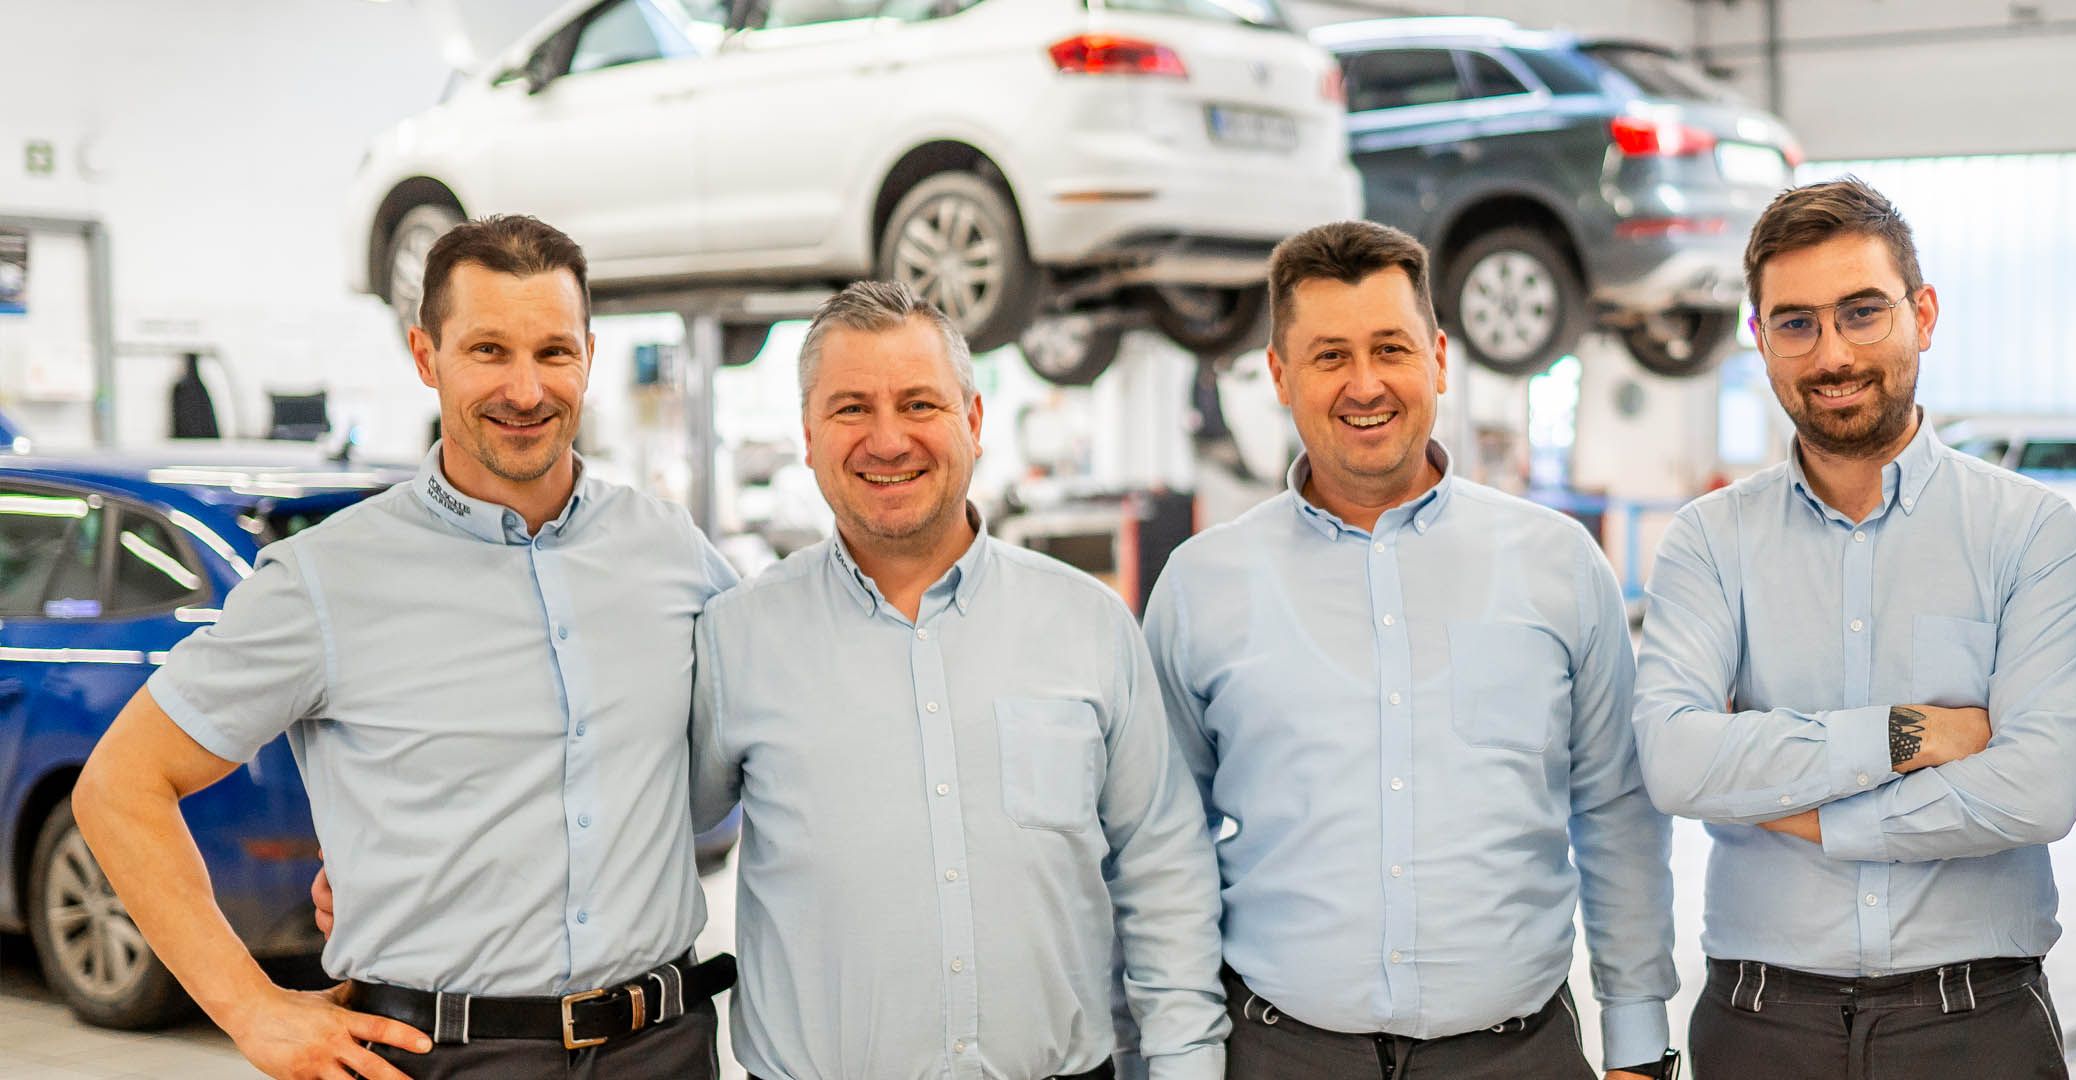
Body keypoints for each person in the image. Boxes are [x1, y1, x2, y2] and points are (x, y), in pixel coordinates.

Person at [73, 214, 737, 1079]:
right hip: (438, 1057)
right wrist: (249, 1008)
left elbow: (772, 733)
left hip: (664, 1047)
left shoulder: (669, 550)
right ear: (427, 356)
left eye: (553, 352)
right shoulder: (326, 578)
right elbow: (120, 787)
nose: (526, 389)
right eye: (489, 351)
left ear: (589, 356)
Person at [1142, 220, 1681, 1080]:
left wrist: (1640, 1047)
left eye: (1390, 348)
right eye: (1329, 356)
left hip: (1517, 1058)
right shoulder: (1201, 586)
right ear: (1279, 374)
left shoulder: (1558, 565)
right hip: (1279, 1054)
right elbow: (1164, 847)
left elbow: (1617, 813)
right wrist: (1179, 1062)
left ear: (1437, 359)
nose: (1365, 384)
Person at [688, 280, 1229, 1080]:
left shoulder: (1087, 625)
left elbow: (1163, 875)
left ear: (973, 422)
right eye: (851, 409)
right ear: (807, 434)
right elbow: (654, 838)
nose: (887, 439)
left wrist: (1185, 1066)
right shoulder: (737, 637)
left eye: (919, 404)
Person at [1633, 178, 2076, 1079]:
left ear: (1923, 315)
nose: (1833, 353)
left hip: (1978, 1023)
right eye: (1797, 323)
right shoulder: (1709, 540)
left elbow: (2036, 793)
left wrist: (1799, 809)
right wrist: (1907, 735)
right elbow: (1677, 761)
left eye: (1862, 312)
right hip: (1759, 1023)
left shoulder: (2028, 532)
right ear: (1760, 339)